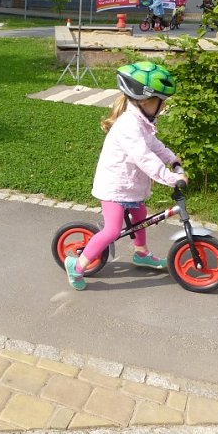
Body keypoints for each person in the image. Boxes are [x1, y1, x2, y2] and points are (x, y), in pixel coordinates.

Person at [64, 61, 186, 291]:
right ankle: (77, 266)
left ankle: (141, 254)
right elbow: (144, 157)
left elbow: (154, 145)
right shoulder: (129, 126)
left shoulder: (143, 121)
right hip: (114, 187)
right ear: (145, 101)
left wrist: (172, 158)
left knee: (141, 216)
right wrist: (170, 177)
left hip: (129, 186)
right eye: (162, 102)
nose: (164, 107)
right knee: (111, 230)